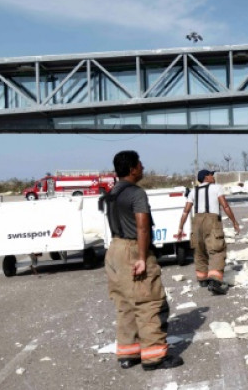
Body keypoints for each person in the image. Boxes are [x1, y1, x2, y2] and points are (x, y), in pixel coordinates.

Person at [101, 150, 183, 371]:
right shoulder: (136, 193)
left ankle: (128, 354)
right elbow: (142, 226)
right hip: (132, 249)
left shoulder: (113, 192)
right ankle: (154, 357)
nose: (143, 167)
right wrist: (141, 258)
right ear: (132, 169)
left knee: (125, 304)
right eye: (140, 164)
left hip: (114, 249)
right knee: (149, 303)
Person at [175, 170, 240, 296]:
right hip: (212, 221)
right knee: (217, 249)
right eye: (211, 175)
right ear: (206, 177)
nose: (213, 177)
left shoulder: (194, 191)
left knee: (200, 250)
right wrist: (234, 222)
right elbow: (225, 206)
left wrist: (180, 228)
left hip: (197, 222)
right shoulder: (217, 188)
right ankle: (215, 282)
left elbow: (186, 211)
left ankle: (202, 279)